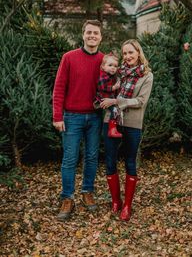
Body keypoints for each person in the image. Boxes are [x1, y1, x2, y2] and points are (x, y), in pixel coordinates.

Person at [53, 19, 103, 221]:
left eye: (96, 33)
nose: (92, 36)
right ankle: (67, 197)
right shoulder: (69, 58)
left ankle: (87, 192)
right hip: (71, 117)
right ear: (83, 35)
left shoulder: (104, 60)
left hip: (95, 117)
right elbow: (58, 88)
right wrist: (57, 116)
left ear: (101, 36)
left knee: (91, 157)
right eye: (89, 32)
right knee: (70, 158)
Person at [100, 39, 153, 221]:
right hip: (111, 120)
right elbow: (106, 89)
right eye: (125, 53)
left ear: (138, 53)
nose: (128, 56)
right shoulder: (118, 72)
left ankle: (127, 206)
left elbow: (140, 101)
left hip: (132, 123)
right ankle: (116, 201)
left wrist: (117, 102)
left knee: (130, 162)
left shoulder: (147, 76)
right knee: (109, 161)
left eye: (131, 52)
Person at [94, 52, 122, 138]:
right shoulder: (103, 77)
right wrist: (114, 87)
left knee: (115, 110)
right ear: (103, 67)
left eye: (115, 66)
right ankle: (112, 130)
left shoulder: (110, 75)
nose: (113, 68)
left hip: (109, 98)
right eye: (110, 65)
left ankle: (113, 128)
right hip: (103, 99)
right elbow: (103, 87)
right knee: (114, 110)